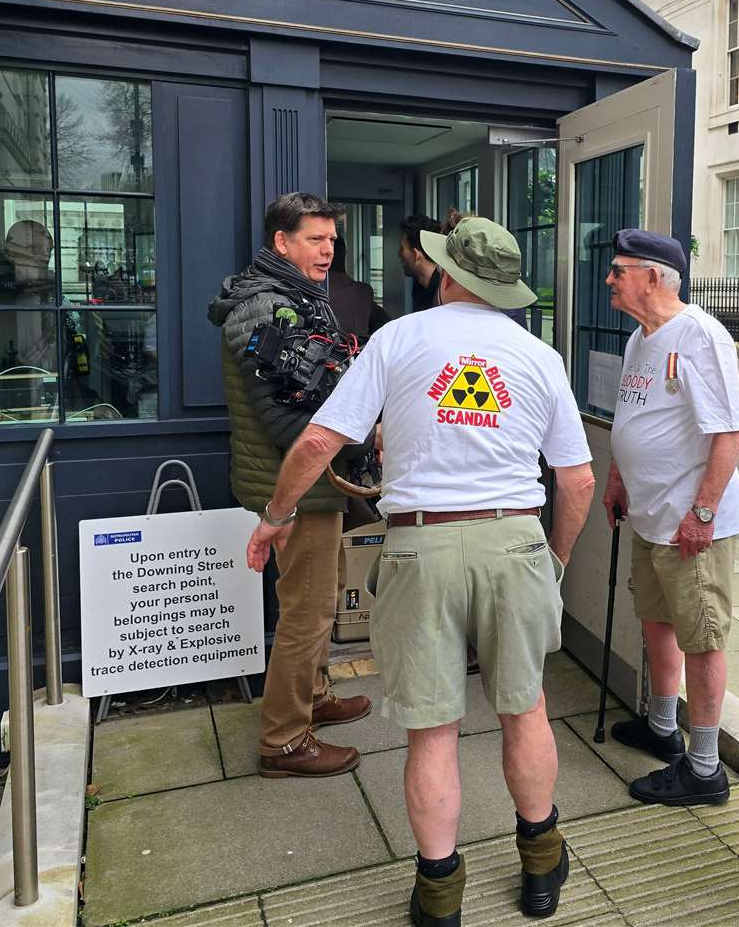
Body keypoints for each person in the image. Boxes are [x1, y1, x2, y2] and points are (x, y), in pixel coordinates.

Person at [246, 216, 596, 927]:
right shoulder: (538, 355)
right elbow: (579, 481)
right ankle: (539, 866)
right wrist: (551, 560)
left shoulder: (397, 339)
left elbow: (318, 439)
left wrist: (277, 513)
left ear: (447, 272)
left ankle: (439, 895)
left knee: (432, 731)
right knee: (524, 708)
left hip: (420, 548)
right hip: (514, 543)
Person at [207, 192, 372, 780]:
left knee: (321, 598)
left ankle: (314, 696)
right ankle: (282, 740)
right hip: (298, 484)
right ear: (282, 242)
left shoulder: (294, 296)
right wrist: (364, 420)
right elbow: (289, 416)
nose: (328, 250)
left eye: (331, 239)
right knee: (307, 611)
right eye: (314, 239)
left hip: (309, 481)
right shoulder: (265, 308)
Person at [600, 229, 739, 808]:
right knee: (657, 623)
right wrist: (618, 480)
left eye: (619, 270)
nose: (610, 279)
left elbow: (729, 432)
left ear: (654, 276)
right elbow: (632, 416)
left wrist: (703, 512)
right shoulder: (642, 337)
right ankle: (663, 727)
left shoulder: (701, 336)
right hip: (649, 513)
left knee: (703, 637)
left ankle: (705, 766)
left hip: (692, 524)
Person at [398, 213, 443, 313]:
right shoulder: (419, 288)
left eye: (402, 248)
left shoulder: (444, 295)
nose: (399, 254)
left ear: (415, 254)